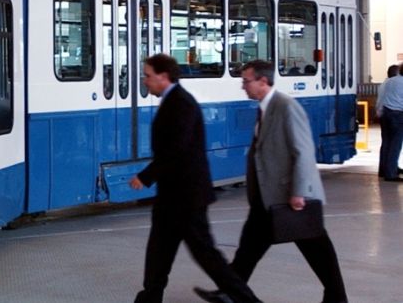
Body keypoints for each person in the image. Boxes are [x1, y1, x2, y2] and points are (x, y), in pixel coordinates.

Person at [194, 60, 347, 303]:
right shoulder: (265, 108)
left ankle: (337, 297)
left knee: (317, 248)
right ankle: (231, 291)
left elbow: (303, 151)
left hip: (290, 196)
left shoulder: (286, 107)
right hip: (268, 197)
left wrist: (299, 192)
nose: (243, 86)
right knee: (249, 248)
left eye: (246, 81)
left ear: (263, 82)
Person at [129, 54, 260, 303]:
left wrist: (145, 177)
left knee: (207, 256)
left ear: (163, 76)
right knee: (158, 252)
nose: (144, 81)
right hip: (172, 196)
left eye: (147, 75)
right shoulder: (172, 101)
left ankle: (248, 301)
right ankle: (150, 297)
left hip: (186, 198)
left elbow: (175, 150)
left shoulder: (182, 104)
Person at [377, 63, 403, 181]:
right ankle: (391, 173)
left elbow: (383, 97)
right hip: (398, 114)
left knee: (386, 142)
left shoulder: (390, 81)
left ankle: (384, 169)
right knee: (395, 145)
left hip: (386, 113)